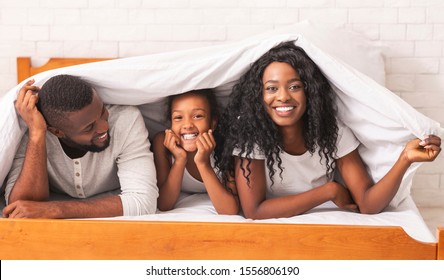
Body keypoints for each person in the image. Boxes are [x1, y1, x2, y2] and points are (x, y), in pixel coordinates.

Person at [214, 41, 442, 219]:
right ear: (259, 96)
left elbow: (368, 204)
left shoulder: (333, 133)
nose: (283, 96)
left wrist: (405, 159)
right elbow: (254, 211)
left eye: (294, 86)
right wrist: (329, 191)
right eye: (271, 88)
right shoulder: (250, 137)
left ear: (309, 92)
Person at [3, 75, 158, 219]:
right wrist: (37, 134)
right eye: (89, 127)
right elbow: (21, 205)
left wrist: (56, 209)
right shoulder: (33, 127)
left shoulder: (126, 119)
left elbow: (143, 202)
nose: (104, 127)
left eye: (102, 112)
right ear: (57, 132)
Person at [152, 90, 239, 215]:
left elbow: (229, 210)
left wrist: (203, 163)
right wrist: (180, 160)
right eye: (178, 118)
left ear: (213, 123)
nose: (187, 125)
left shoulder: (225, 145)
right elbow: (164, 204)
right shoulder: (162, 143)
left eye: (198, 116)